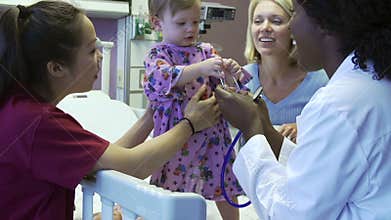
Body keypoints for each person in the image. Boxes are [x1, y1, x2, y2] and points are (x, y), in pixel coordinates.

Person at [0, 1, 220, 219]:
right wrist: (190, 124)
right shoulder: (39, 124)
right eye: (91, 50)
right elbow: (135, 165)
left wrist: (149, 117)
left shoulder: (19, 111)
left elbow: (104, 159)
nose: (101, 55)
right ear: (56, 67)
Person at [215, 0, 391, 219]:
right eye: (258, 20)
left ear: (324, 23)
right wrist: (266, 129)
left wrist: (251, 128)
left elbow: (289, 213)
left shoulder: (339, 104)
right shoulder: (369, 84)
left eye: (296, 13)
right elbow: (317, 171)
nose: (291, 26)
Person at [143, 0, 252, 219]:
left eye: (195, 21)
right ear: (157, 23)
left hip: (213, 136)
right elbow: (160, 79)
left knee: (223, 180)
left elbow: (223, 86)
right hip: (177, 138)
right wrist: (200, 68)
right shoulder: (158, 55)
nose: (191, 29)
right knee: (170, 187)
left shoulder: (205, 51)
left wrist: (232, 72)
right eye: (182, 23)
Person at [243, 0, 328, 142]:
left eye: (276, 21)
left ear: (294, 27)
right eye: (258, 21)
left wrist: (305, 128)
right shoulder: (240, 79)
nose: (264, 28)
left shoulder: (322, 83)